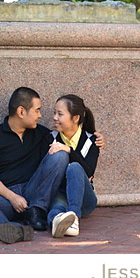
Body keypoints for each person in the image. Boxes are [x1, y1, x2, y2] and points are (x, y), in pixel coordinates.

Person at [0, 87, 105, 244]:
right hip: (7, 196)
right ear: (22, 112)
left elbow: (73, 134)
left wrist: (96, 137)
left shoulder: (43, 134)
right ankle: (16, 230)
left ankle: (37, 210)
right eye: (37, 110)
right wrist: (13, 197)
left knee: (60, 154)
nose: (41, 115)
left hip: (35, 190)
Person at [46, 94, 99, 238]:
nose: (55, 117)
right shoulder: (50, 137)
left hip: (85, 199)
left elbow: (88, 172)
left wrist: (68, 150)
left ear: (75, 118)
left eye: (60, 114)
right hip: (61, 193)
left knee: (75, 167)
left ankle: (74, 216)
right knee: (56, 209)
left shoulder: (92, 140)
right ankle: (57, 224)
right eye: (54, 113)